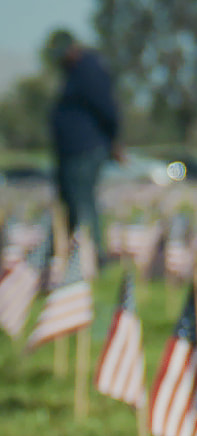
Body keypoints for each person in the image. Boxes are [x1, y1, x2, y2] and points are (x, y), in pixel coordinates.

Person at [47, 29, 119, 264]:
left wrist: (114, 139)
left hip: (86, 148)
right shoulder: (73, 71)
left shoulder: (89, 69)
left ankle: (92, 255)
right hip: (70, 149)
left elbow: (107, 108)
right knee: (71, 201)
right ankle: (74, 251)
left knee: (82, 202)